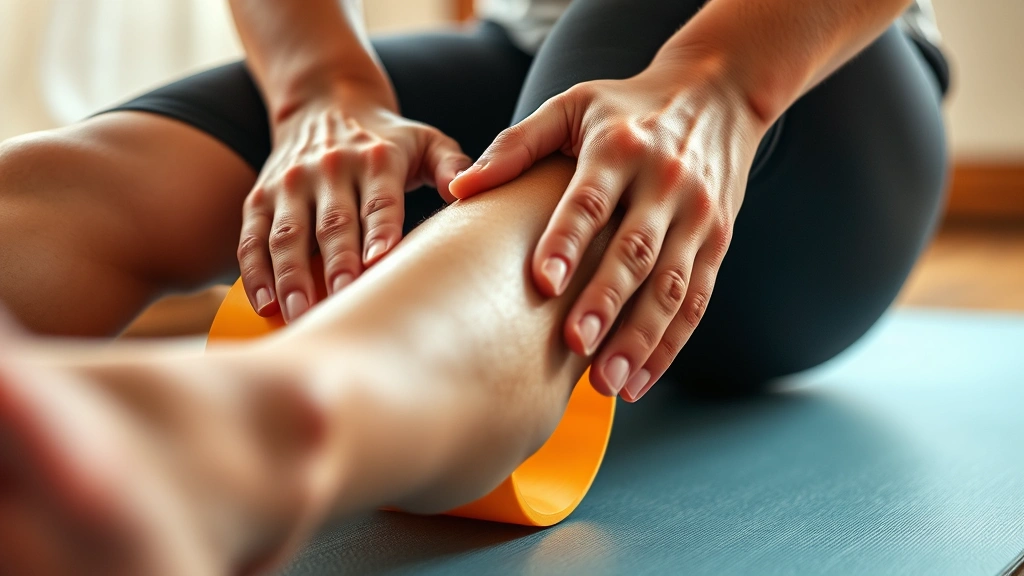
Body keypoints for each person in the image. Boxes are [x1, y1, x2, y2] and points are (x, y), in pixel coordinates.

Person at [0, 0, 948, 572]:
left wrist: (719, 86)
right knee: (100, 179)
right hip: (524, 54)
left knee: (587, 137)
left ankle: (224, 447)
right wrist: (322, 96)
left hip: (807, 85)